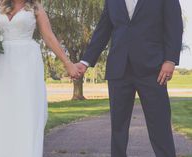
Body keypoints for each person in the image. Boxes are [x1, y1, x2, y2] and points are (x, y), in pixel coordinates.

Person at [0, 0, 81, 157]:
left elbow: (49, 37)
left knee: (23, 113)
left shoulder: (35, 7)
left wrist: (68, 63)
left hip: (26, 66)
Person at [75, 0, 183, 156]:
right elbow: (103, 29)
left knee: (160, 124)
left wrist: (170, 60)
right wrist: (85, 61)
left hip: (153, 70)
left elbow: (174, 26)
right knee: (118, 127)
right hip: (118, 69)